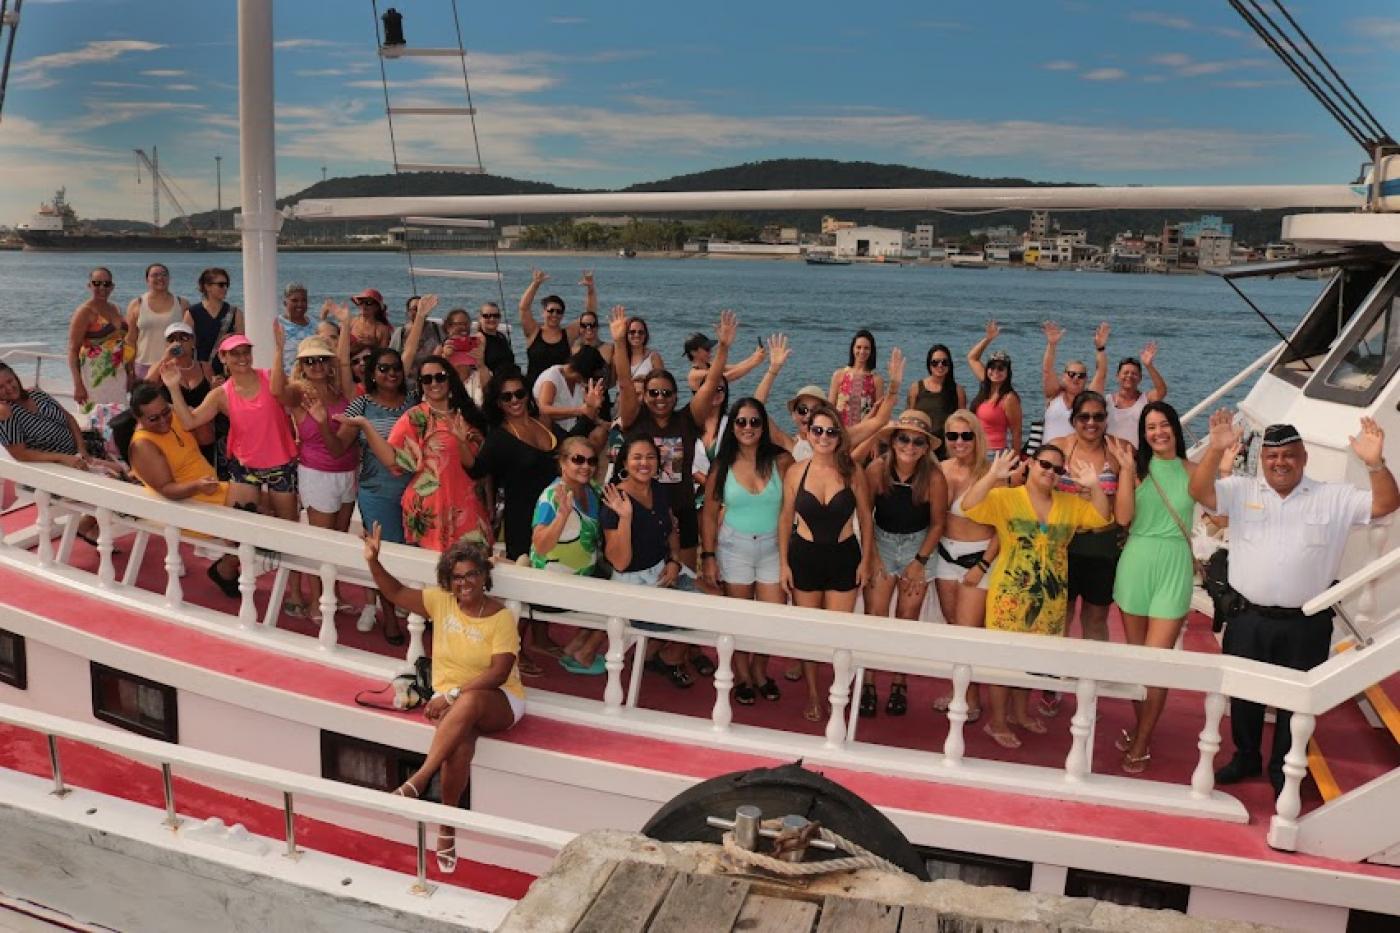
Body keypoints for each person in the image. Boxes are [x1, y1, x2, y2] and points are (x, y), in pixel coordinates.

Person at [1190, 412, 1398, 796]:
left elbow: (1386, 504)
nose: (1280, 462)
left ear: (1304, 458)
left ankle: (1282, 765)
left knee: (1297, 702)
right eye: (1272, 457)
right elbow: (1200, 493)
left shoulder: (1332, 497)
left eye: (1289, 455)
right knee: (1245, 694)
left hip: (1306, 622)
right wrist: (1215, 450)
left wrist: (1375, 463)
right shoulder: (1242, 490)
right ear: (1262, 460)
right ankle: (1246, 755)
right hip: (1247, 617)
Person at [363, 529, 524, 873]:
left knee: (470, 700)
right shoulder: (441, 601)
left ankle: (419, 781)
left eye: (472, 575)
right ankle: (447, 829)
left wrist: (452, 693)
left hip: (500, 700)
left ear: (484, 577)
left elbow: (499, 672)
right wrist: (373, 560)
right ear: (447, 581)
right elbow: (393, 591)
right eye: (457, 577)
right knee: (461, 748)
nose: (464, 582)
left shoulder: (501, 617)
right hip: (449, 699)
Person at [962, 447, 1112, 749]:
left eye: (1058, 469)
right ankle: (998, 721)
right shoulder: (1007, 498)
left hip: (1050, 597)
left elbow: (1101, 517)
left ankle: (1020, 713)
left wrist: (1094, 485)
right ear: (1030, 464)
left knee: (1034, 659)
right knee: (1004, 662)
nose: (1050, 472)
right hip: (1011, 594)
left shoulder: (1069, 504)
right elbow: (970, 505)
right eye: (1045, 464)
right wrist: (993, 475)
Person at [1109, 402, 1198, 774]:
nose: (1158, 432)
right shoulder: (1137, 469)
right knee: (1138, 661)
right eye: (1150, 427)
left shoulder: (1194, 471)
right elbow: (1124, 518)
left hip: (1174, 565)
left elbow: (1218, 505)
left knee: (1157, 662)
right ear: (1143, 434)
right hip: (1137, 561)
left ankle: (1143, 740)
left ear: (1175, 428)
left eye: (1164, 425)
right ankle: (1142, 727)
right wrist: (1127, 470)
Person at [613, 305, 733, 572]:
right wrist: (619, 341)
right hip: (642, 507)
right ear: (644, 395)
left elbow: (712, 382)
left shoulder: (687, 421)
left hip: (682, 508)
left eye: (666, 394)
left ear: (676, 396)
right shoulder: (635, 420)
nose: (660, 399)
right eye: (653, 393)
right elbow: (623, 381)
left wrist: (723, 347)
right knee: (644, 568)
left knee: (685, 572)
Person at [779, 403, 877, 723]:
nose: (824, 437)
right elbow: (785, 519)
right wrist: (783, 563)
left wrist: (866, 560)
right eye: (818, 430)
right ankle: (812, 693)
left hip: (843, 557)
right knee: (810, 634)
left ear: (839, 436)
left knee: (838, 634)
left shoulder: (853, 471)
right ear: (808, 433)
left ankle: (837, 692)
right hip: (804, 556)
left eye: (831, 431)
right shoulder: (796, 471)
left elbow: (865, 517)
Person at [699, 397, 794, 705]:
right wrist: (709, 557)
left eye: (755, 421)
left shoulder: (781, 461)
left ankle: (759, 671)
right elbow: (710, 514)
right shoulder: (722, 465)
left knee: (770, 618)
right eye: (741, 422)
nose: (748, 427)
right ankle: (742, 677)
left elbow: (794, 506)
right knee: (738, 619)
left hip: (773, 548)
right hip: (733, 547)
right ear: (733, 426)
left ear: (764, 425)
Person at [859, 410, 947, 718]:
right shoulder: (876, 470)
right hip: (881, 541)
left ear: (925, 447)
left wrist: (919, 561)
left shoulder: (934, 478)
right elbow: (865, 515)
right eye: (904, 438)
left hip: (917, 545)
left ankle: (899, 682)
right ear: (894, 441)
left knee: (906, 618)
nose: (910, 446)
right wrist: (871, 555)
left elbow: (938, 523)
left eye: (918, 441)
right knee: (875, 615)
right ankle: (868, 681)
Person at [162, 334, 300, 529]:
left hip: (281, 465)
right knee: (236, 530)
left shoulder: (271, 378)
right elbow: (189, 422)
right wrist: (173, 387)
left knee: (288, 528)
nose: (242, 358)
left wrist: (279, 350)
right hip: (244, 467)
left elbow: (292, 401)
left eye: (246, 352)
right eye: (235, 354)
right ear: (222, 357)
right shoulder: (221, 394)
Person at [333, 344, 416, 644]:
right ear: (372, 374)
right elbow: (339, 448)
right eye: (383, 368)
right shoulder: (361, 406)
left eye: (396, 368)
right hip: (376, 493)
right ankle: (390, 617)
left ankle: (419, 609)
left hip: (415, 492)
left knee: (418, 553)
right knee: (385, 557)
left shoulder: (414, 402)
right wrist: (318, 422)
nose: (391, 373)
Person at [124, 383, 240, 598]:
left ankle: (228, 565)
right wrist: (197, 486)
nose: (162, 421)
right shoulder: (143, 445)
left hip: (209, 490)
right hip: (185, 504)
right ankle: (227, 567)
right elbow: (167, 489)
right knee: (256, 511)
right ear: (138, 418)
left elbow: (206, 438)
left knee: (266, 505)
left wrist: (180, 405)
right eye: (153, 418)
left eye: (164, 412)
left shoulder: (174, 415)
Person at [276, 333, 360, 618]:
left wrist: (347, 325)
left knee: (338, 538)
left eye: (321, 359)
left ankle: (333, 594)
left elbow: (348, 369)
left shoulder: (341, 393)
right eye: (308, 360)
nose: (316, 365)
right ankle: (316, 601)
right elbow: (278, 391)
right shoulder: (300, 393)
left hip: (347, 472)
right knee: (320, 543)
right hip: (317, 474)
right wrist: (278, 348)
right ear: (301, 364)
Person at [601, 436, 694, 688]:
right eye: (637, 457)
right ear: (625, 462)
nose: (644, 463)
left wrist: (674, 560)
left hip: (662, 570)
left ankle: (659, 655)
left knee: (714, 597)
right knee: (695, 615)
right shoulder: (615, 499)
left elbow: (671, 529)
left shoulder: (659, 489)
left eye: (650, 457)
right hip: (632, 585)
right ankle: (668, 657)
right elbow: (620, 562)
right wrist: (626, 518)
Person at [0, 361, 119, 546]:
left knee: (126, 471)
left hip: (81, 453)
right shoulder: (6, 414)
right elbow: (20, 454)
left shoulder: (36, 394)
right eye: (0, 387)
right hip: (54, 469)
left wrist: (82, 449)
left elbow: (69, 418)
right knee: (119, 481)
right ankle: (89, 524)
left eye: (9, 380)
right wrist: (63, 458)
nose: (8, 388)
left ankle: (89, 524)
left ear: (15, 376)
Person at [931, 409, 1000, 719]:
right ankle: (960, 689)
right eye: (952, 436)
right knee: (953, 627)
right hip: (945, 555)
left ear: (977, 437)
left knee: (969, 631)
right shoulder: (939, 469)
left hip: (979, 558)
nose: (959, 442)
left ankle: (970, 697)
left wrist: (983, 565)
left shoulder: (992, 474)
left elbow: (1003, 530)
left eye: (966, 435)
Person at [383, 356, 490, 551]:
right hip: (430, 506)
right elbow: (395, 461)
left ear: (450, 379)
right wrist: (365, 426)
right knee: (431, 573)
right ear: (421, 385)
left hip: (468, 502)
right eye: (427, 379)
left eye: (440, 377)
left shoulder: (469, 415)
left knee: (472, 566)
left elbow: (479, 467)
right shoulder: (415, 418)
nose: (434, 383)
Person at [1046, 390, 1120, 647]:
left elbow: (1129, 498)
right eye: (1084, 416)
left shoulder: (1117, 451)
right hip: (1063, 543)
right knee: (1060, 614)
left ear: (1106, 419)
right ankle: (1054, 678)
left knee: (1096, 617)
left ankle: (1093, 675)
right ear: (1073, 419)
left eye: (1098, 416)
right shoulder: (1059, 447)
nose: (1091, 423)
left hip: (1102, 544)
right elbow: (1035, 488)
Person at [530, 436, 608, 673]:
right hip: (554, 589)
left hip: (582, 580)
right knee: (625, 596)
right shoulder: (552, 497)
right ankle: (583, 652)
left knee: (625, 579)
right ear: (563, 463)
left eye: (591, 461)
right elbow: (540, 545)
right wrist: (562, 516)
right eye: (578, 459)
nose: (586, 466)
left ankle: (575, 648)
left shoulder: (592, 490)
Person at [146, 322, 217, 466]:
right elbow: (144, 390)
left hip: (203, 431)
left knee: (202, 424)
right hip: (174, 428)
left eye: (183, 338)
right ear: (166, 345)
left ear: (192, 341)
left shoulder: (205, 367)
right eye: (172, 339)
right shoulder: (162, 367)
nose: (177, 343)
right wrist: (165, 358)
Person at [67, 267, 131, 413]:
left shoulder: (115, 308)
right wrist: (78, 384)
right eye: (97, 283)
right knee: (96, 423)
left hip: (118, 376)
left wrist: (129, 373)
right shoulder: (84, 312)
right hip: (93, 379)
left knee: (120, 423)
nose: (102, 287)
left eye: (106, 284)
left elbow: (122, 344)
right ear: (89, 285)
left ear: (112, 287)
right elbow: (72, 350)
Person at [519, 268, 592, 390]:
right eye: (551, 311)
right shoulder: (533, 332)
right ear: (543, 312)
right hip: (533, 389)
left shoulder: (568, 334)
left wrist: (590, 289)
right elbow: (523, 308)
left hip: (560, 391)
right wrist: (535, 284)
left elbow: (589, 315)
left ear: (563, 315)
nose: (554, 314)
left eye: (559, 312)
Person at [1040, 320, 1108, 443]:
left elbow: (1101, 373)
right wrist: (1051, 344)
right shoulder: (1054, 395)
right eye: (1071, 374)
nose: (1076, 378)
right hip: (1050, 457)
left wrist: (1100, 348)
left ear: (1086, 380)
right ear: (1063, 376)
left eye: (1081, 375)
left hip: (1077, 458)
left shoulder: (1089, 399)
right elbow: (1047, 370)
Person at [966, 322, 1022, 456]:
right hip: (975, 451)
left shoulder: (1009, 398)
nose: (996, 372)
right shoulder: (986, 384)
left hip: (995, 453)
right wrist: (988, 338)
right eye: (992, 367)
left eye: (1001, 368)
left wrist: (1015, 460)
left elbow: (1016, 431)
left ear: (1008, 372)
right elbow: (972, 357)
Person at [126, 263, 189, 381]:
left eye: (164, 275)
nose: (160, 278)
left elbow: (189, 340)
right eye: (155, 275)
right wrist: (129, 368)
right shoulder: (137, 304)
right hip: (142, 366)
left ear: (169, 278)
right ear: (147, 280)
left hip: (173, 365)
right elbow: (130, 339)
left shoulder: (182, 304)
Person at [907, 344, 966, 459]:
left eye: (944, 362)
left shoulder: (957, 390)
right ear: (929, 365)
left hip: (947, 449)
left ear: (950, 365)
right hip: (921, 446)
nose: (940, 366)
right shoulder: (916, 388)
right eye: (935, 362)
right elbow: (909, 418)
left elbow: (963, 423)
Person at [185, 267, 243, 381]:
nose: (225, 288)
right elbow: (186, 346)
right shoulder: (192, 313)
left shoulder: (235, 312)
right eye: (221, 285)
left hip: (227, 372)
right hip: (200, 373)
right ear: (207, 287)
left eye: (227, 285)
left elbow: (240, 345)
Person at [533, 346, 605, 438]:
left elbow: (587, 409)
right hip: (551, 432)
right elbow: (544, 409)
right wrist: (580, 411)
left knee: (600, 434)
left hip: (571, 429)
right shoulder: (552, 378)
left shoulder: (578, 383)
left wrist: (602, 422)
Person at [1107, 344, 1168, 445]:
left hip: (1138, 456)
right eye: (1125, 373)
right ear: (1117, 376)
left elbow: (1162, 391)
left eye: (1134, 373)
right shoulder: (1107, 401)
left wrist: (1149, 366)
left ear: (1140, 378)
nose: (1129, 376)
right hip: (1111, 456)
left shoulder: (1145, 399)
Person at [828, 329, 884, 427]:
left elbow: (879, 414)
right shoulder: (839, 375)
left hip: (864, 434)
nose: (862, 351)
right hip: (840, 432)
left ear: (871, 351)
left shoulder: (876, 380)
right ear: (853, 349)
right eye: (858, 347)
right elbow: (830, 408)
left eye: (866, 348)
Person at [685, 331, 765, 392]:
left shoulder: (710, 366)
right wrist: (754, 362)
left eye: (710, 348)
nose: (710, 351)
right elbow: (728, 376)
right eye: (706, 349)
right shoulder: (695, 374)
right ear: (693, 352)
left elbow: (736, 367)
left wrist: (755, 356)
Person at [390, 295, 443, 377]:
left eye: (421, 308)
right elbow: (392, 356)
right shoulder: (400, 332)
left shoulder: (437, 328)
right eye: (415, 309)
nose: (419, 311)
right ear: (408, 312)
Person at [277, 283, 320, 374]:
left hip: (311, 377)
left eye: (304, 300)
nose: (300, 304)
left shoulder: (314, 324)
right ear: (285, 302)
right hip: (286, 379)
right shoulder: (278, 324)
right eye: (294, 300)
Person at [348, 287, 393, 356]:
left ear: (377, 307)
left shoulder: (382, 329)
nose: (363, 306)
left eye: (368, 303)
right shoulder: (352, 322)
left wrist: (372, 345)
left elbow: (383, 354)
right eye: (361, 302)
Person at [476, 301, 515, 375]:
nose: (492, 319)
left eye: (496, 316)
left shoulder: (501, 336)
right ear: (480, 318)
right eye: (487, 316)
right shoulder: (479, 339)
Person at [621, 315, 664, 382]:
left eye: (641, 332)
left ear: (645, 335)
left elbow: (662, 382)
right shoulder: (620, 357)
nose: (637, 335)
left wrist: (644, 379)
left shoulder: (653, 357)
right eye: (632, 332)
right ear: (625, 334)